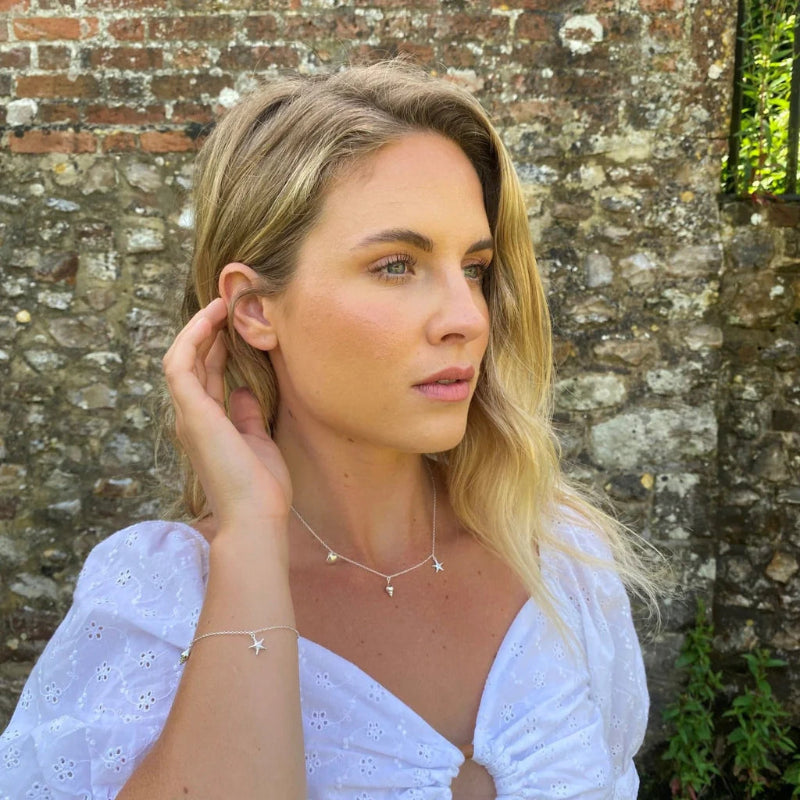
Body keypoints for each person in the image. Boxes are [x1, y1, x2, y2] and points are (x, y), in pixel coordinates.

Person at [0, 60, 659, 799]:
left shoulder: (563, 562)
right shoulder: (157, 605)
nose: (468, 319)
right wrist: (250, 533)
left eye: (474, 268)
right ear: (254, 310)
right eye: (396, 265)